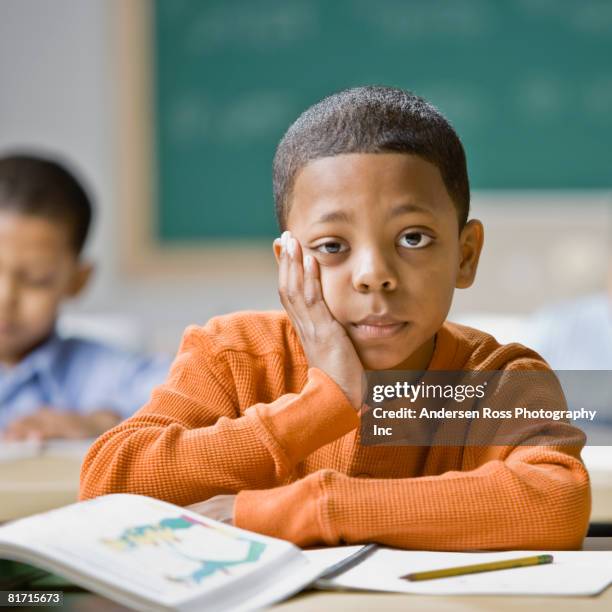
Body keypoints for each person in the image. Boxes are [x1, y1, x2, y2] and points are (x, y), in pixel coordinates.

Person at [80, 87, 590, 550]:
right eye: (332, 246)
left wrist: (310, 508)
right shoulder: (232, 355)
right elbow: (107, 482)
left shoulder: (501, 379)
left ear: (465, 255)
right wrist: (326, 402)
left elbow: (557, 501)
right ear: (288, 264)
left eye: (413, 237)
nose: (373, 275)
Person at [0, 154, 171, 440]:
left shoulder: (111, 375)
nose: (6, 298)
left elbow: (191, 398)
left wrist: (100, 426)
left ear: (78, 281)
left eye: (36, 279)